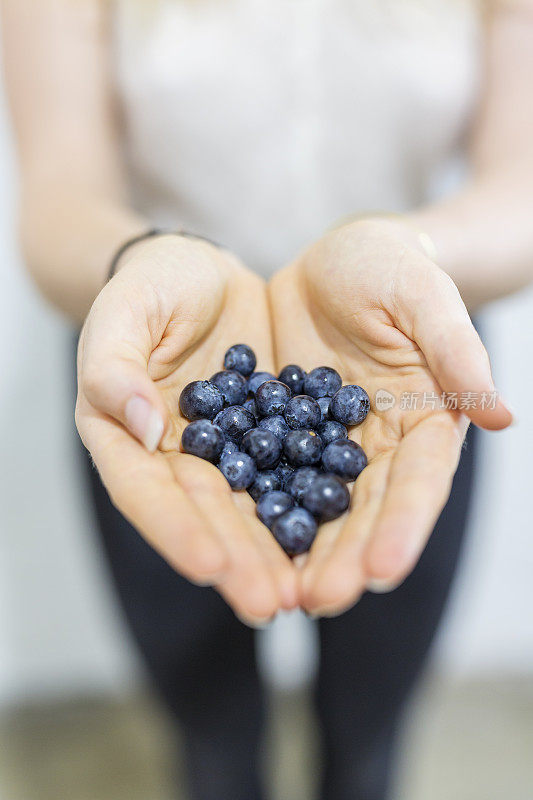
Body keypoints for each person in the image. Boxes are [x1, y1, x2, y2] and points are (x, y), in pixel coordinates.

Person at [2, 1, 530, 798]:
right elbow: (56, 195)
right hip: (165, 366)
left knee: (368, 744)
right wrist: (137, 260)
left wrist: (409, 254)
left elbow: (520, 187)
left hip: (399, 363)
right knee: (211, 747)